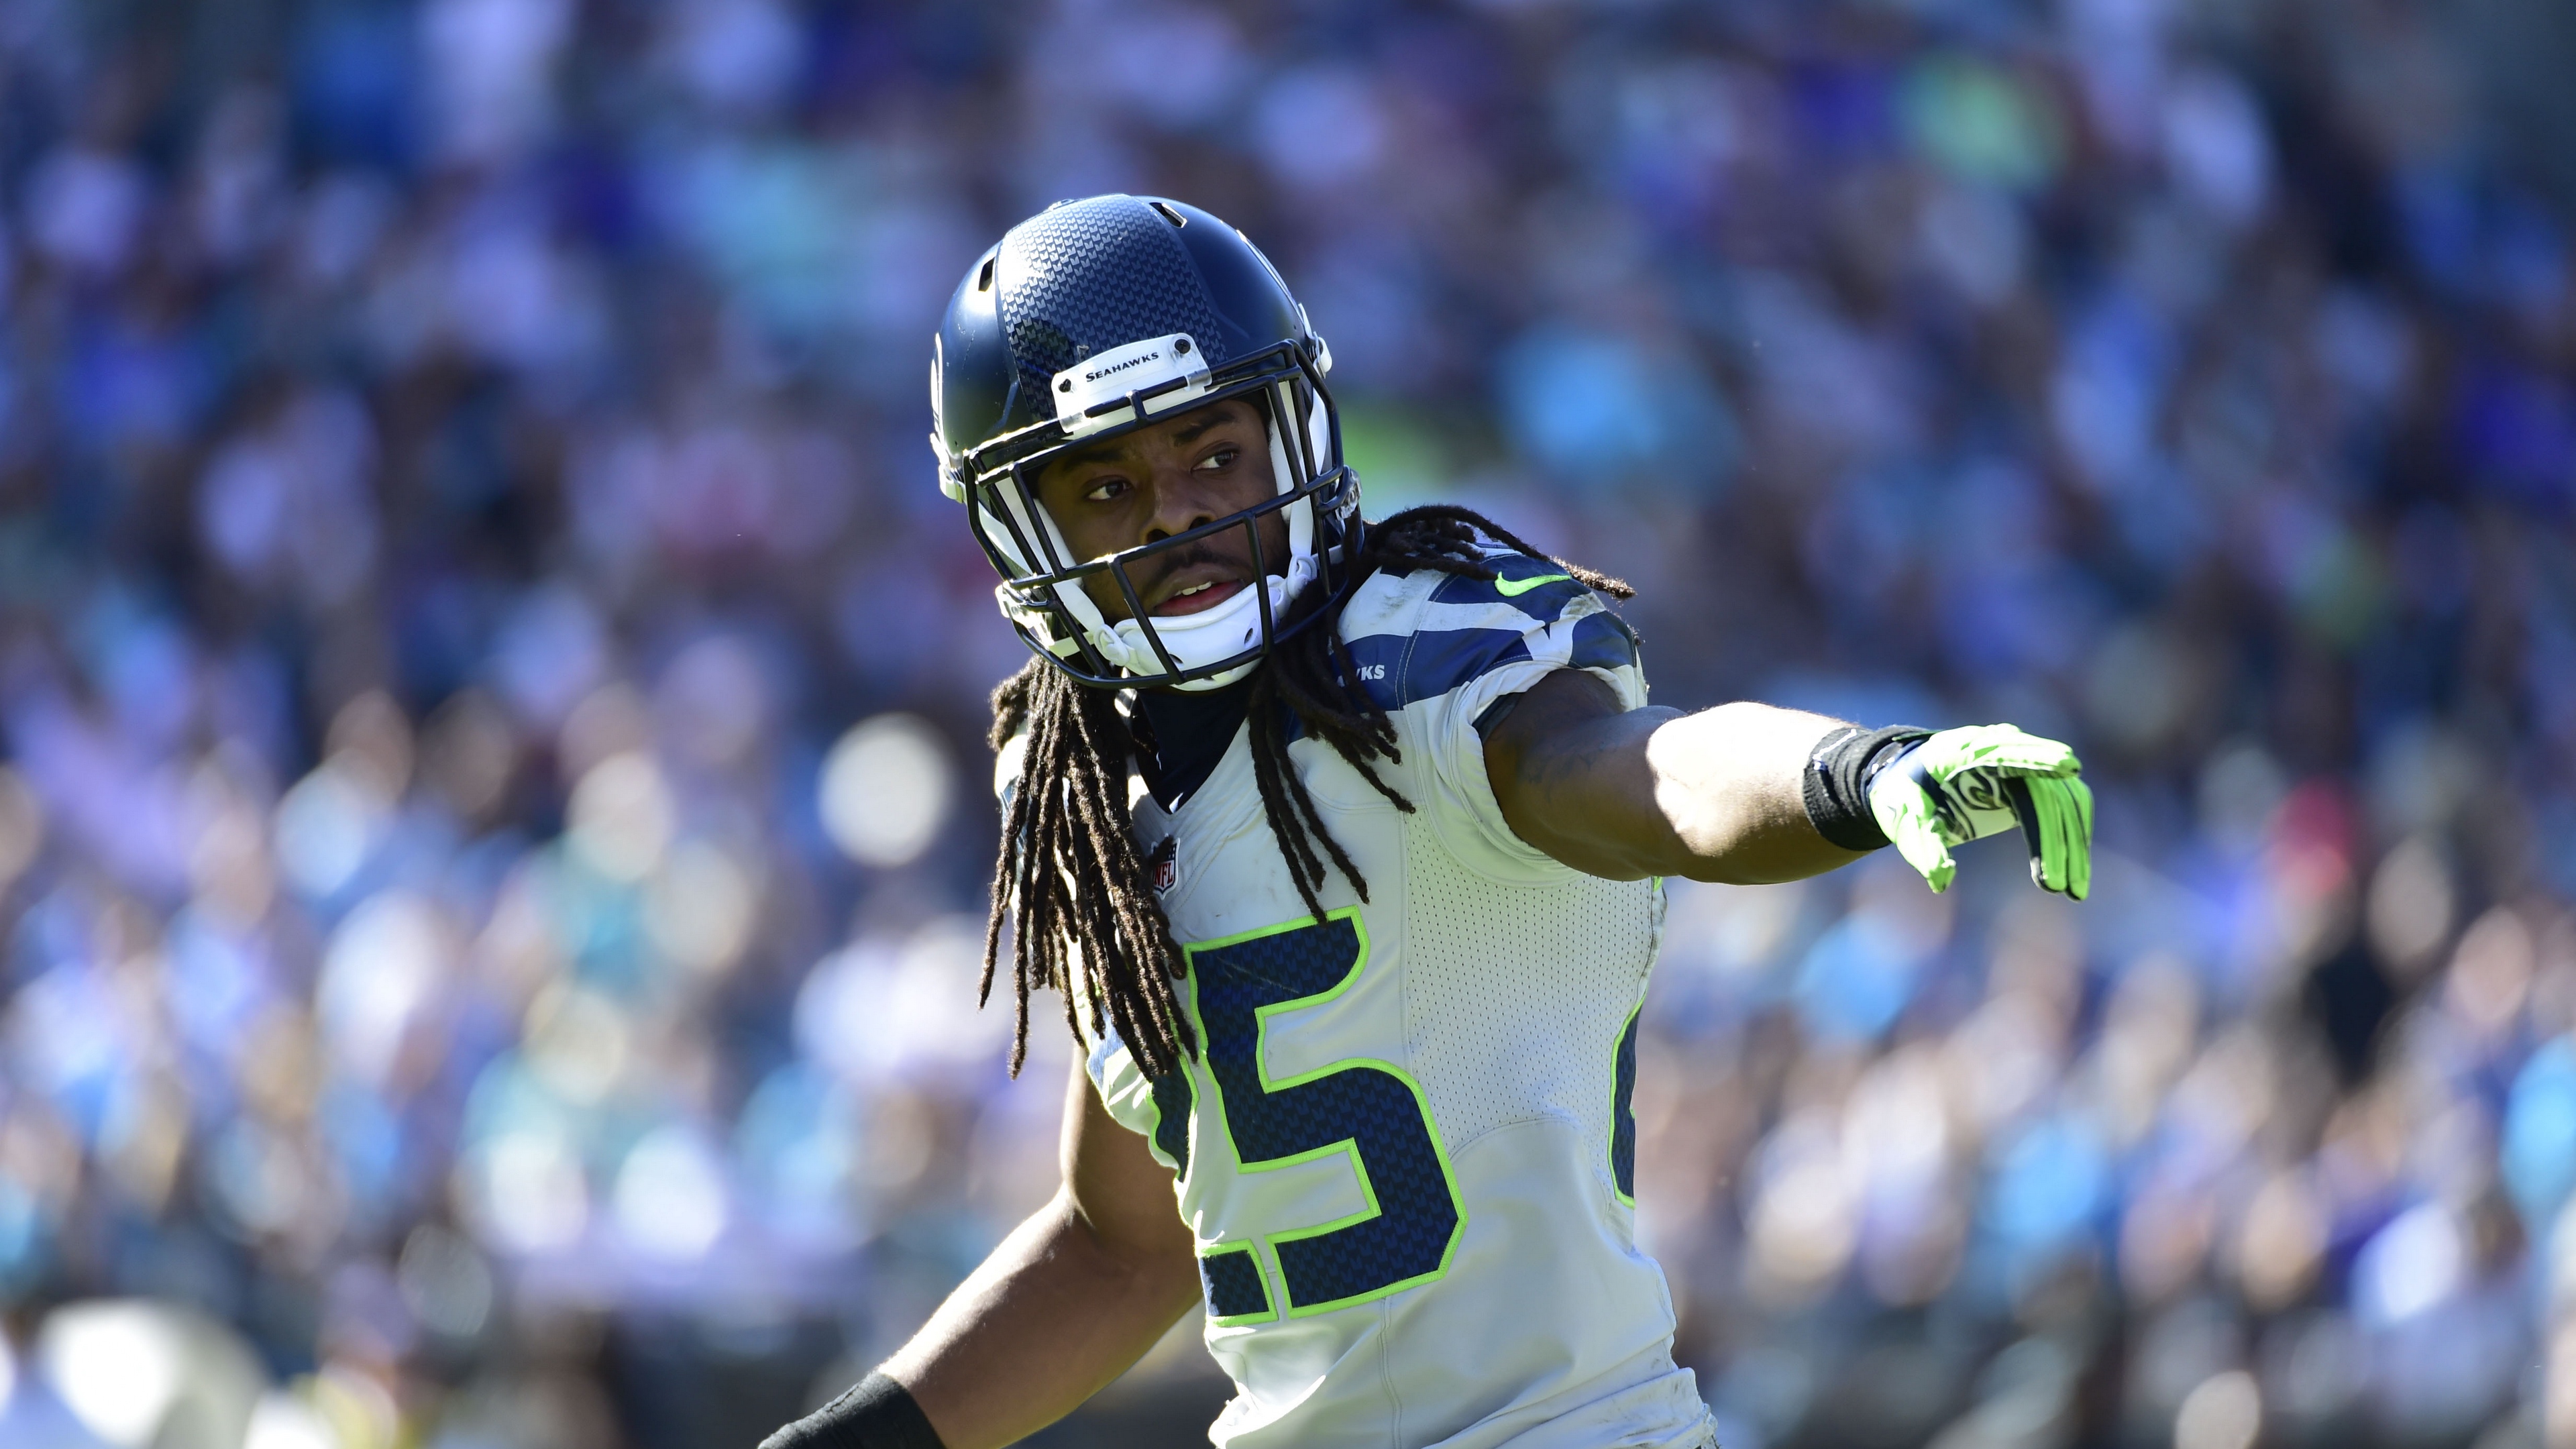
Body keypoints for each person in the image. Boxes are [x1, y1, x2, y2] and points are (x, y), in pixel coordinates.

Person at [763, 195, 2093, 1449]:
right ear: (1017, 532)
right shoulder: (1094, 805)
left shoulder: (1419, 664)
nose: (1176, 514)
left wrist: (1852, 773)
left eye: (1214, 455)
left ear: (1294, 435)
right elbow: (1123, 1250)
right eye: (1107, 488)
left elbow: (1648, 774)